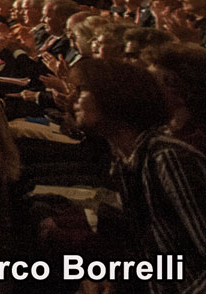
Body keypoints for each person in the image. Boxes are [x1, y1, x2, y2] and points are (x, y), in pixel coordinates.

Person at [73, 58, 206, 292]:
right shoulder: (128, 161)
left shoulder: (166, 158)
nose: (74, 99)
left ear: (115, 96)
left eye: (82, 89)